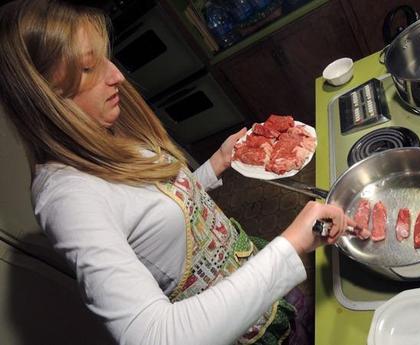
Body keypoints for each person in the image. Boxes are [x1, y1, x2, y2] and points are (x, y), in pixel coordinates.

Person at [0, 1, 355, 344]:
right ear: (45, 96)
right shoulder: (66, 199)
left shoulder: (100, 126)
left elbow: (156, 212)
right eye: (89, 68)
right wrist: (292, 244)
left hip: (245, 265)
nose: (117, 76)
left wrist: (217, 162)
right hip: (231, 323)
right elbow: (155, 335)